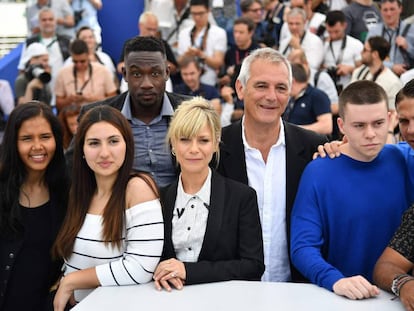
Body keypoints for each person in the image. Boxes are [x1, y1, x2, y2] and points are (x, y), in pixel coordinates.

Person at [290, 80, 410, 299]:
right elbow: (302, 246)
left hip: (399, 296)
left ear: (390, 119)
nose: (371, 134)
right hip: (342, 297)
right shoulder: (318, 172)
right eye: (359, 125)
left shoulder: (404, 159)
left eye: (378, 123)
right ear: (342, 126)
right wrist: (335, 280)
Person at [217, 47, 328, 282]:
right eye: (261, 86)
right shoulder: (215, 147)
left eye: (280, 88)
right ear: (240, 88)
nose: (271, 96)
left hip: (298, 291)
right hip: (232, 290)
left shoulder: (314, 148)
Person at [53, 105, 164, 310]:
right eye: (94, 143)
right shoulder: (80, 192)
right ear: (82, 151)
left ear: (127, 145)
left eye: (113, 141)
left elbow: (140, 268)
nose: (104, 153)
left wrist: (72, 281)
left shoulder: (137, 188)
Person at [153, 97, 264, 291]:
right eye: (185, 139)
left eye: (203, 140)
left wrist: (189, 271)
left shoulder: (242, 197)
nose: (194, 149)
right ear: (173, 144)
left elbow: (253, 266)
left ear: (215, 144)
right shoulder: (159, 199)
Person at [67, 36, 190, 188]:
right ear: (125, 74)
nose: (146, 84)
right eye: (137, 74)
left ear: (166, 73)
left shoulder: (191, 110)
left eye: (155, 74)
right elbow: (72, 168)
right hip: (120, 208)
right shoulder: (96, 115)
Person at [0, 101, 69, 310]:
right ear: (13, 142)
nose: (37, 146)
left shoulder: (68, 190)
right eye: (27, 138)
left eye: (45, 137)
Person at [54, 39, 117, 112]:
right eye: (75, 61)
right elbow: (58, 104)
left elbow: (113, 99)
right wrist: (69, 100)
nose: (79, 65)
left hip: (99, 114)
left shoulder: (103, 71)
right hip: (73, 118)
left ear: (88, 55)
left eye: (82, 61)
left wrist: (91, 98)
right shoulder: (63, 73)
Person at [177, 0, 227, 87]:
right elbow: (179, 63)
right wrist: (187, 55)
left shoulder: (219, 33)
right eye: (194, 14)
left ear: (208, 11)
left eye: (200, 13)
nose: (197, 17)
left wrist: (200, 54)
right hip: (187, 83)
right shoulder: (184, 33)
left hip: (209, 83)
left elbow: (218, 63)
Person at [18, 7, 71, 88]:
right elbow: (22, 68)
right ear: (38, 22)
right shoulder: (30, 42)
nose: (47, 22)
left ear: (55, 21)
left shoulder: (66, 41)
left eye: (50, 19)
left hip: (62, 87)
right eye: (44, 20)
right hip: (39, 87)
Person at [352, 36, 403, 113]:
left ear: (375, 54)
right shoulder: (359, 71)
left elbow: (394, 113)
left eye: (365, 50)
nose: (361, 52)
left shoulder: (392, 82)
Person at [367, 0, 414, 77]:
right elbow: (368, 56)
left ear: (400, 9)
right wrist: (391, 67)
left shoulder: (411, 30)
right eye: (385, 10)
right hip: (380, 76)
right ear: (380, 11)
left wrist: (408, 47)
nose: (389, 14)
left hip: (405, 76)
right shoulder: (374, 31)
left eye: (392, 9)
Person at [283, 63, 332, 135]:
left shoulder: (317, 96)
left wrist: (295, 129)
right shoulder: (292, 98)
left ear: (292, 81)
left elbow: (326, 127)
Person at [322, 10, 364, 93]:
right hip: (326, 88)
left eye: (336, 31)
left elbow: (364, 70)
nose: (333, 35)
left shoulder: (355, 44)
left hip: (350, 89)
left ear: (344, 25)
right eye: (330, 32)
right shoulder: (322, 44)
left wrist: (350, 69)